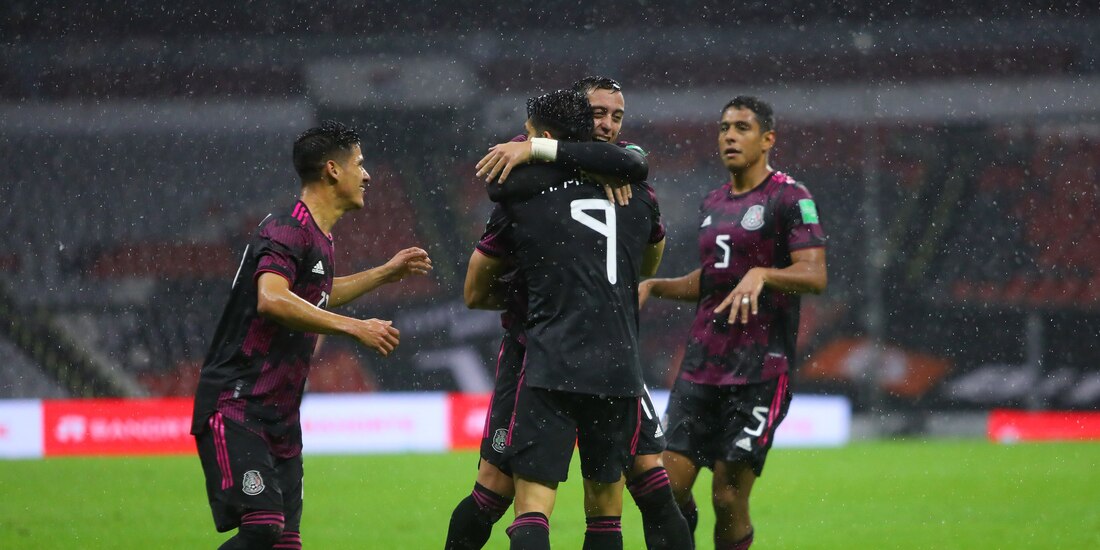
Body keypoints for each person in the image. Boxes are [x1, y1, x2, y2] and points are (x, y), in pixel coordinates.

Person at [447, 77, 689, 550]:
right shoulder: (624, 186)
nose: (607, 126)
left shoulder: (620, 177)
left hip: (562, 353)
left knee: (642, 486)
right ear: (576, 119)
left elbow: (477, 290)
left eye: (616, 117)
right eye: (598, 114)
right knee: (500, 491)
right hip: (557, 351)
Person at [190, 120, 432, 550]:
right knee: (262, 526)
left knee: (285, 543)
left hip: (280, 416)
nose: (368, 174)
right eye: (359, 163)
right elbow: (273, 298)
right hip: (238, 404)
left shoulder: (318, 238)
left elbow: (315, 294)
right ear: (333, 170)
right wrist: (356, 327)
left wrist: (384, 273)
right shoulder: (287, 228)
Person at [639, 96, 828, 550]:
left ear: (767, 140)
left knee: (727, 497)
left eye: (742, 127)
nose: (729, 136)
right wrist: (655, 286)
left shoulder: (790, 197)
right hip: (702, 366)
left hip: (760, 370)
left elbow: (814, 274)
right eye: (724, 127)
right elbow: (713, 279)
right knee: (667, 490)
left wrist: (763, 273)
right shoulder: (713, 201)